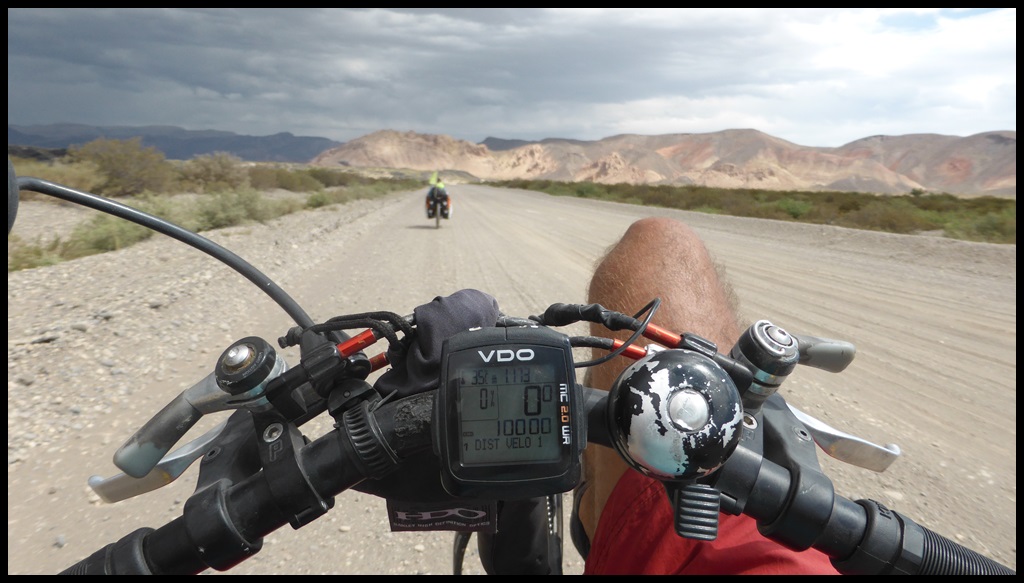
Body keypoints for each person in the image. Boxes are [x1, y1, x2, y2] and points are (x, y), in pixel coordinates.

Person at [574, 216, 840, 575]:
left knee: (659, 239)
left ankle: (593, 513)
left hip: (703, 534)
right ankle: (595, 515)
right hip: (782, 544)